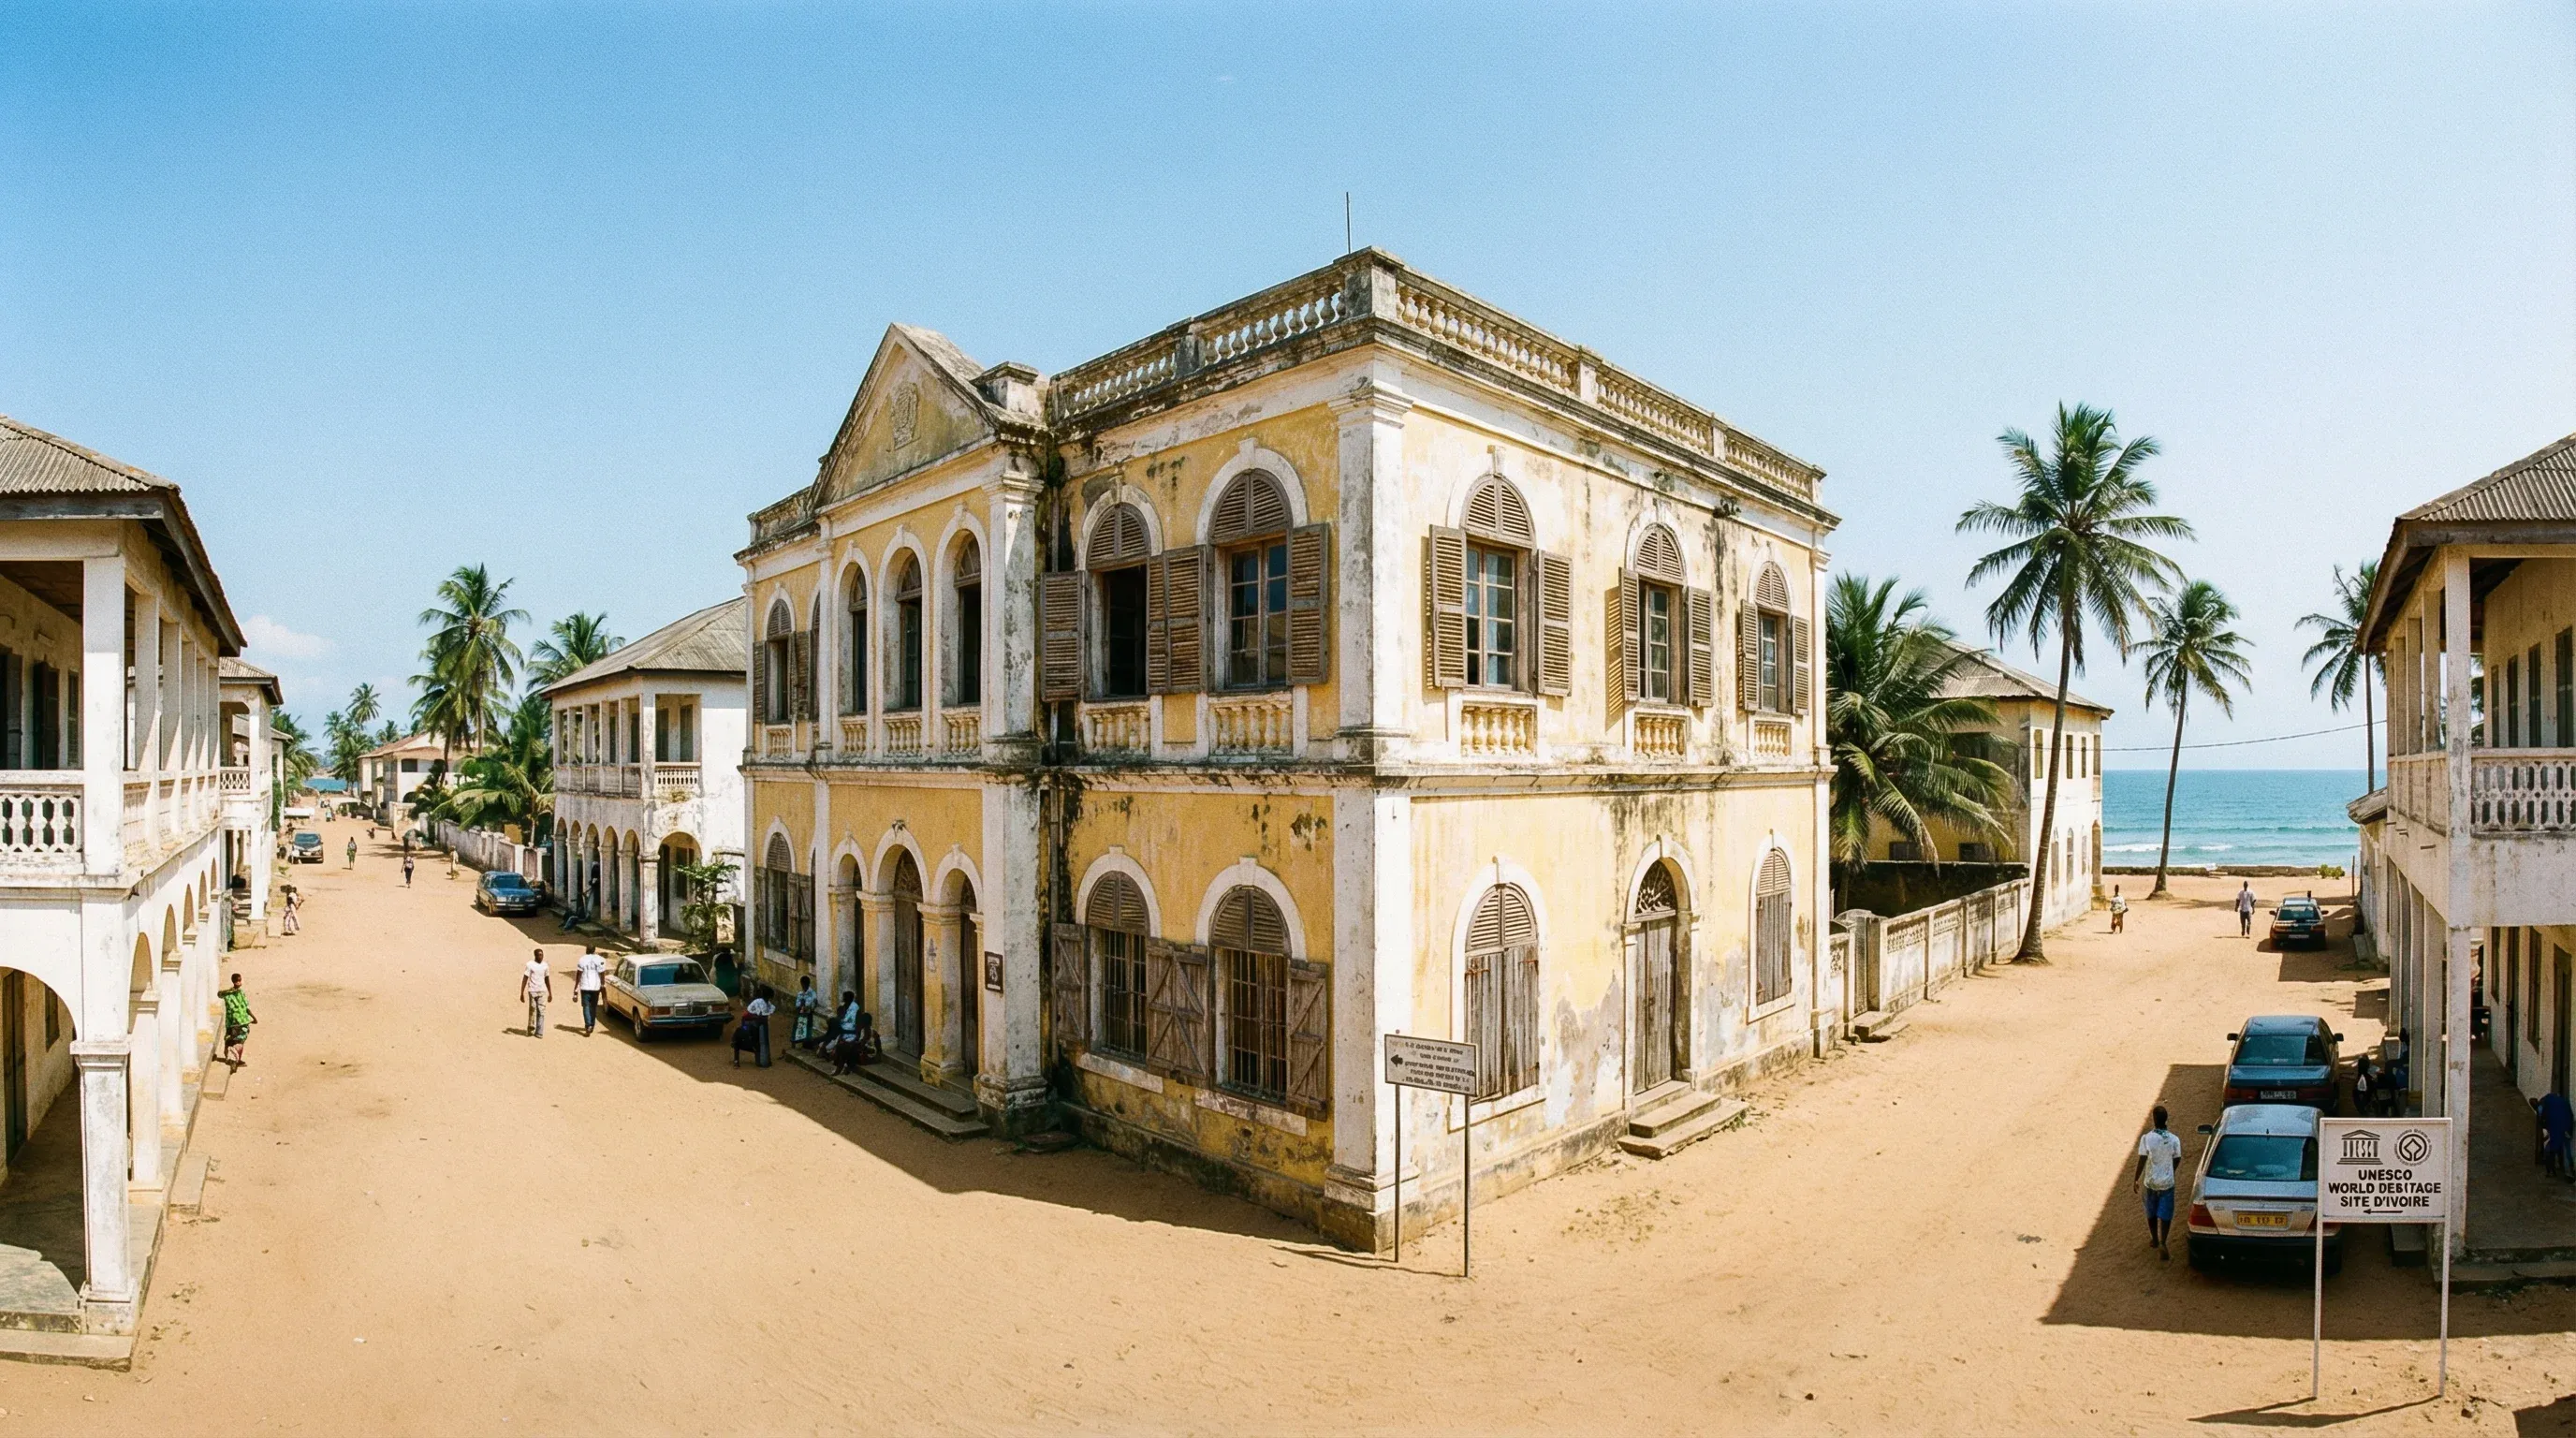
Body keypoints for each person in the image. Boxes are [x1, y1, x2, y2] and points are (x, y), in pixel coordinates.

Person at [2133, 1105, 2183, 1260]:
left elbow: (2142, 1158)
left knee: (2151, 1211)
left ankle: (2154, 1239)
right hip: (2167, 1182)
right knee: (2166, 1213)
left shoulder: (2146, 1139)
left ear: (2154, 1120)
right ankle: (2163, 1241)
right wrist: (2170, 1170)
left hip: (2151, 1182)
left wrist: (2136, 1178)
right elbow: (2177, 1157)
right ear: (2166, 1119)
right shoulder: (2174, 1139)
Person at [220, 974, 256, 1068]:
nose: (239, 982)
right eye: (238, 981)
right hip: (241, 1021)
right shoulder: (239, 993)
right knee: (240, 1041)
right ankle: (236, 1061)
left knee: (230, 1039)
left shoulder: (228, 994)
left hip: (231, 1022)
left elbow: (219, 994)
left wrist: (229, 990)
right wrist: (254, 1018)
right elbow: (247, 1008)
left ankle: (230, 1058)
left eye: (239, 981)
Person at [734, 991, 775, 1068]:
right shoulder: (756, 1014)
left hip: (750, 1030)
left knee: (744, 1038)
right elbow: (745, 1021)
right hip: (748, 1030)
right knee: (743, 1038)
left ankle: (737, 1061)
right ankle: (739, 1060)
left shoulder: (761, 1010)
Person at [2541, 1090, 2575, 1181]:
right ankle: (2570, 1170)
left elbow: (2544, 1117)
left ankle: (2551, 1171)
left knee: (2551, 1149)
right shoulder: (2564, 1101)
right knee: (2567, 1149)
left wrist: (2546, 1129)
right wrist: (2570, 1130)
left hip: (2555, 1128)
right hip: (2566, 1127)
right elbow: (2571, 1115)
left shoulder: (2547, 1103)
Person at [575, 946, 607, 1035]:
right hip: (596, 987)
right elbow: (602, 973)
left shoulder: (582, 959)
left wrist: (576, 988)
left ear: (587, 950)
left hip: (585, 987)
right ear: (594, 950)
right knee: (593, 1006)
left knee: (586, 1006)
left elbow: (579, 974)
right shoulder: (600, 960)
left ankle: (588, 1025)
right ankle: (592, 1025)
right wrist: (602, 985)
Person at [521, 947, 552, 1037]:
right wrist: (522, 992)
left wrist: (550, 992)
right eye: (539, 955)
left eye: (542, 955)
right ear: (535, 955)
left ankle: (539, 1032)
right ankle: (531, 1028)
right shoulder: (530, 965)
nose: (541, 956)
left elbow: (547, 979)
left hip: (542, 991)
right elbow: (525, 978)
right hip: (532, 990)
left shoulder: (545, 966)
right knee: (532, 1009)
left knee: (541, 1011)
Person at [792, 976, 823, 1050]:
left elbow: (812, 1006)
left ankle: (807, 1044)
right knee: (797, 1029)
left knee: (808, 1030)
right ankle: (797, 1043)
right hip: (801, 1013)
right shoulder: (800, 994)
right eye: (802, 984)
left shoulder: (813, 994)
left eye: (805, 984)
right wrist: (803, 1007)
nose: (803, 986)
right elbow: (797, 1005)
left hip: (808, 1014)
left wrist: (804, 1006)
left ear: (808, 984)